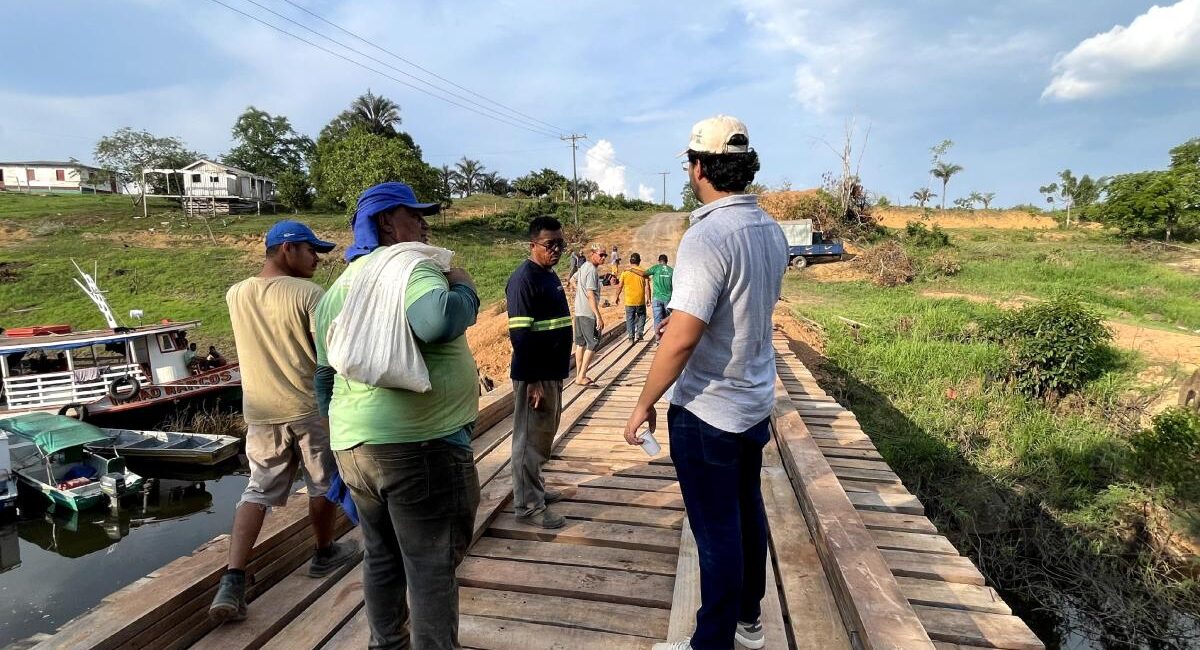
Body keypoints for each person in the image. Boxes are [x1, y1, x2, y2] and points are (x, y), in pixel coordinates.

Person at [623, 115, 787, 650]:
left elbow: (681, 340)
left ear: (698, 167)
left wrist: (643, 403)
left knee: (715, 530)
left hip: (708, 409)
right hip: (754, 401)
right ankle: (748, 622)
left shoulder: (707, 234)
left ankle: (711, 643)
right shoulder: (769, 229)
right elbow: (743, 308)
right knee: (747, 512)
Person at [313, 182, 481, 650]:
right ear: (387, 222)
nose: (425, 223)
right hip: (419, 447)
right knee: (431, 563)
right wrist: (465, 287)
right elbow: (438, 321)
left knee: (382, 555)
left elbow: (324, 377)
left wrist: (344, 438)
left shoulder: (339, 289)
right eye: (414, 214)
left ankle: (386, 644)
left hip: (357, 450)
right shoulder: (409, 266)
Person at [210, 220, 360, 624]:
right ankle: (324, 552)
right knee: (323, 483)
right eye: (311, 250)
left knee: (257, 490)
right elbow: (330, 355)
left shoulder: (236, 293)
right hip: (307, 408)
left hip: (259, 413)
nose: (316, 258)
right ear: (287, 249)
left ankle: (233, 579)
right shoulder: (310, 294)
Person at [505, 216, 573, 529]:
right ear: (533, 245)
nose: (556, 249)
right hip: (536, 375)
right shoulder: (524, 279)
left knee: (543, 435)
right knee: (529, 440)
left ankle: (536, 491)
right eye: (550, 244)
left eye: (560, 243)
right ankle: (528, 507)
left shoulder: (548, 274)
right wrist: (532, 381)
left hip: (551, 371)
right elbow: (520, 335)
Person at [567, 244, 606, 387]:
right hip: (588, 313)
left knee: (580, 344)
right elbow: (590, 294)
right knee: (593, 343)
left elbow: (572, 279)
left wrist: (578, 290)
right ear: (592, 254)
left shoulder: (583, 267)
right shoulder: (592, 271)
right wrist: (598, 316)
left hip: (578, 312)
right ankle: (582, 376)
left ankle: (579, 374)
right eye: (601, 255)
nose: (603, 258)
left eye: (605, 255)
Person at [614, 252, 651, 344]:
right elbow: (647, 286)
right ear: (639, 261)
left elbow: (620, 286)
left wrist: (617, 296)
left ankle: (631, 337)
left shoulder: (625, 272)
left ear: (630, 261)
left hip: (629, 301)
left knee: (630, 319)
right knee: (642, 316)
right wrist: (648, 298)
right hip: (640, 301)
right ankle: (639, 333)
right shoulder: (643, 272)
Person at [645, 254, 674, 342]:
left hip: (657, 298)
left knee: (657, 319)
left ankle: (658, 339)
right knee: (667, 319)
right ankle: (665, 338)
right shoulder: (671, 270)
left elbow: (644, 273)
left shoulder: (656, 268)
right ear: (666, 261)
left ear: (659, 261)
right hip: (668, 299)